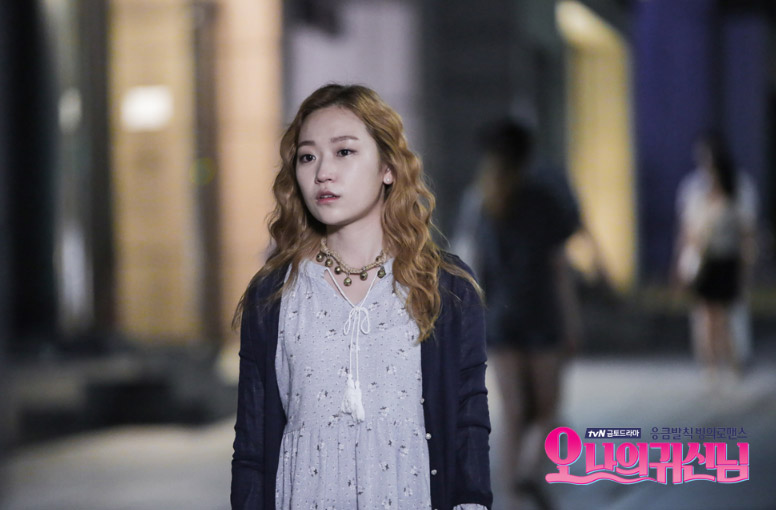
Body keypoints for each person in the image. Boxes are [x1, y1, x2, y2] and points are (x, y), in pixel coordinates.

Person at [230, 84, 492, 510]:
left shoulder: (444, 286)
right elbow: (251, 444)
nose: (323, 173)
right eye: (308, 156)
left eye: (344, 152)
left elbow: (468, 421)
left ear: (388, 167)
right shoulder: (275, 293)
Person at [465, 120, 580, 509]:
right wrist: (571, 321)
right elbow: (558, 267)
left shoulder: (482, 202)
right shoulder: (544, 199)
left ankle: (511, 497)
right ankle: (530, 471)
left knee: (512, 413)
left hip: (500, 318)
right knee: (548, 407)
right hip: (540, 313)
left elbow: (476, 266)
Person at [675, 131, 757, 378]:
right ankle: (710, 366)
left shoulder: (738, 188)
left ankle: (733, 362)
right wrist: (680, 263)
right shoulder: (694, 188)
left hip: (727, 259)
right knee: (705, 316)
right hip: (704, 260)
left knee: (727, 315)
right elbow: (687, 230)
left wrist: (746, 265)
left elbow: (747, 231)